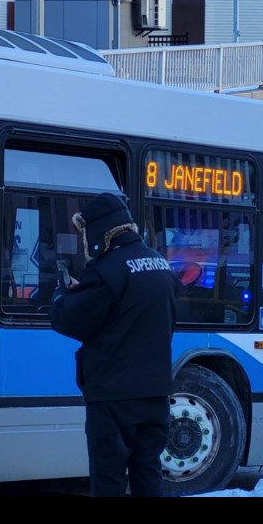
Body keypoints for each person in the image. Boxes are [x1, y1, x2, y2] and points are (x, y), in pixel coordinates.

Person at [50, 192, 178, 497]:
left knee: (109, 481)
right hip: (156, 395)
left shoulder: (107, 269)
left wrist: (61, 295)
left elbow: (70, 320)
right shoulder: (161, 266)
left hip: (113, 400)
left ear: (98, 233)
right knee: (148, 477)